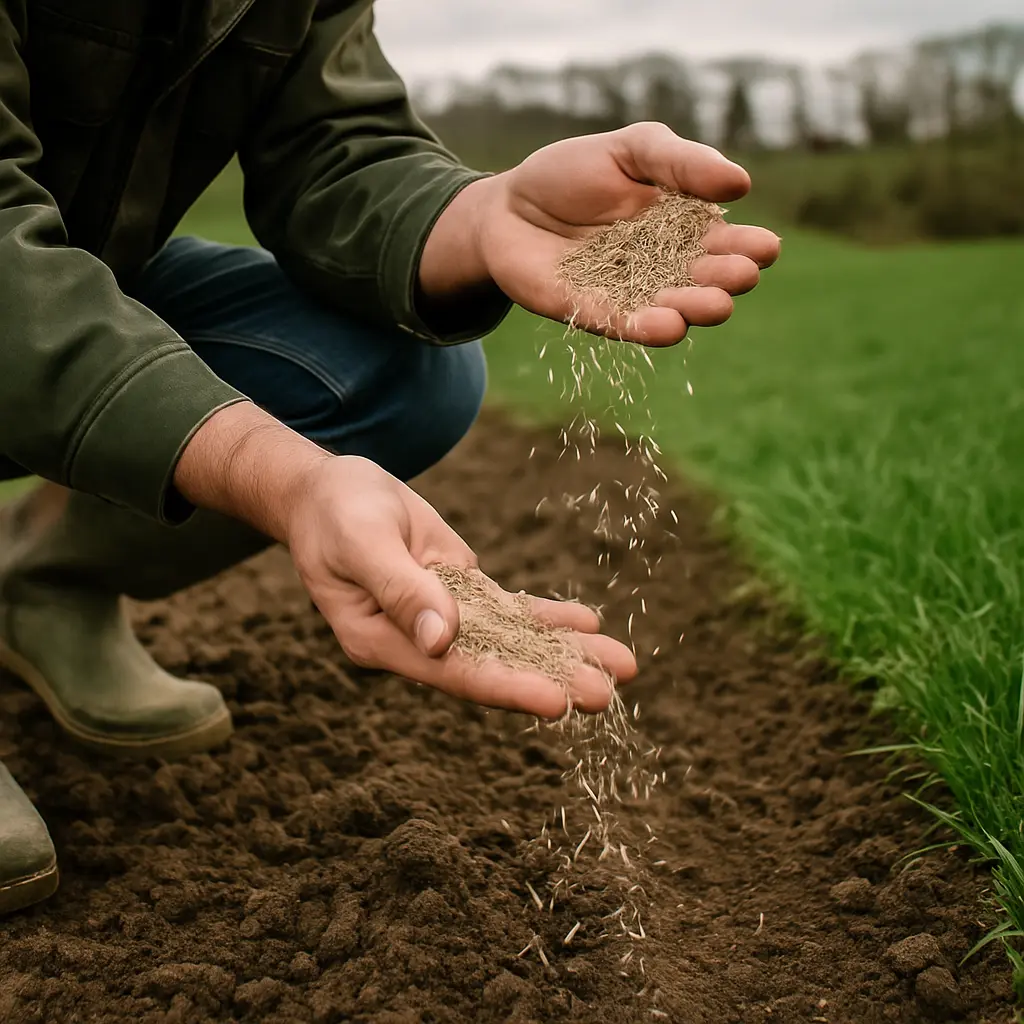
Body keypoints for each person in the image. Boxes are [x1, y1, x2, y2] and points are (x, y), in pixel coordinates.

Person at [0, 0, 780, 915]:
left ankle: (44, 583)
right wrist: (286, 479)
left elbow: (337, 148)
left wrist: (484, 212)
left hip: (84, 264)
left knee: (404, 370)